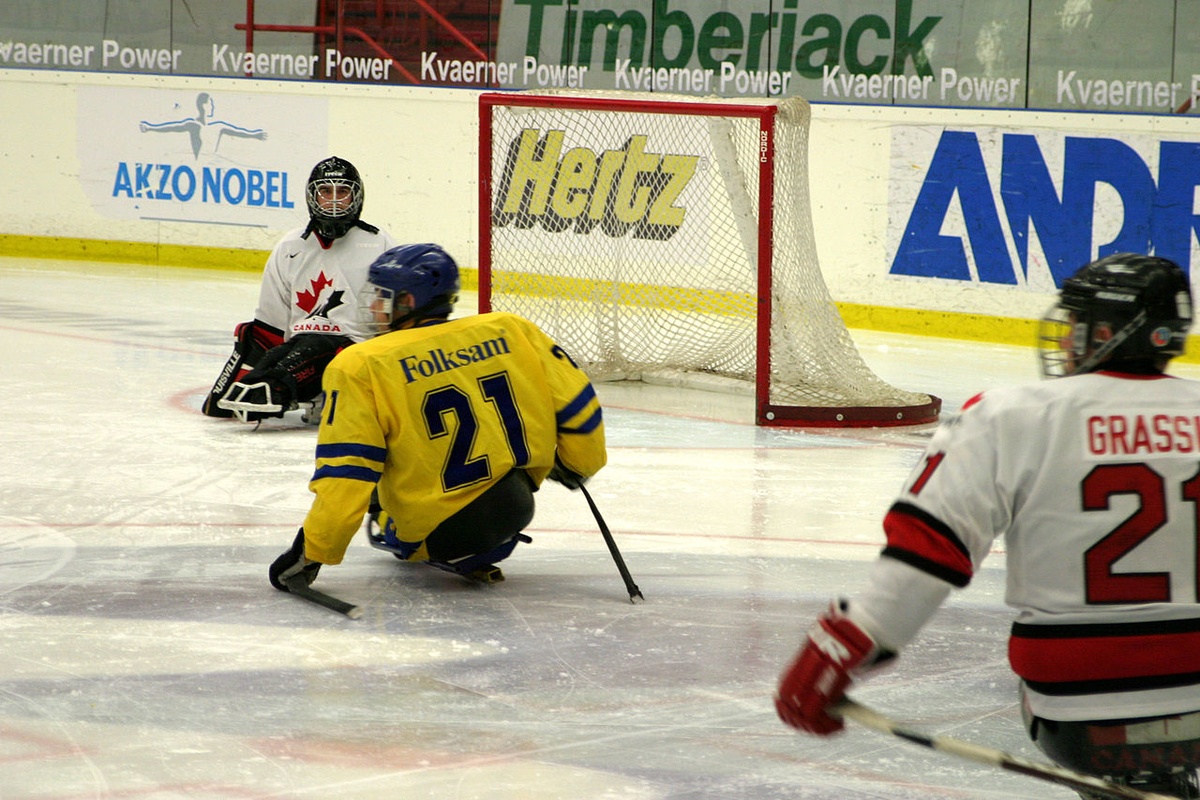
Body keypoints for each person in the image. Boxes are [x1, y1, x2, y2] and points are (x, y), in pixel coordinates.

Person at [774, 253, 1200, 799]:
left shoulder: (1011, 416)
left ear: (1106, 331)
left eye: (1075, 326)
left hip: (1077, 711)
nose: (1066, 339)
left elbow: (929, 551)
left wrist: (842, 647)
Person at [267, 242, 607, 589]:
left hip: (438, 530)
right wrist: (579, 463)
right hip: (516, 505)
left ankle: (412, 529)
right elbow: (578, 401)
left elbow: (348, 472)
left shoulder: (361, 364)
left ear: (408, 303)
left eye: (382, 296)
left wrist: (311, 552)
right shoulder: (510, 329)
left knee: (378, 477)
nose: (373, 305)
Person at [202, 155, 398, 422]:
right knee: (226, 401)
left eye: (342, 192)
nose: (334, 200)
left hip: (354, 352)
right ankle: (266, 383)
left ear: (357, 197)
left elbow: (395, 318)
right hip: (300, 346)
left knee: (310, 351)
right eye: (325, 192)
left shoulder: (379, 244)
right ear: (312, 197)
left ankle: (275, 386)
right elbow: (269, 325)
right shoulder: (290, 246)